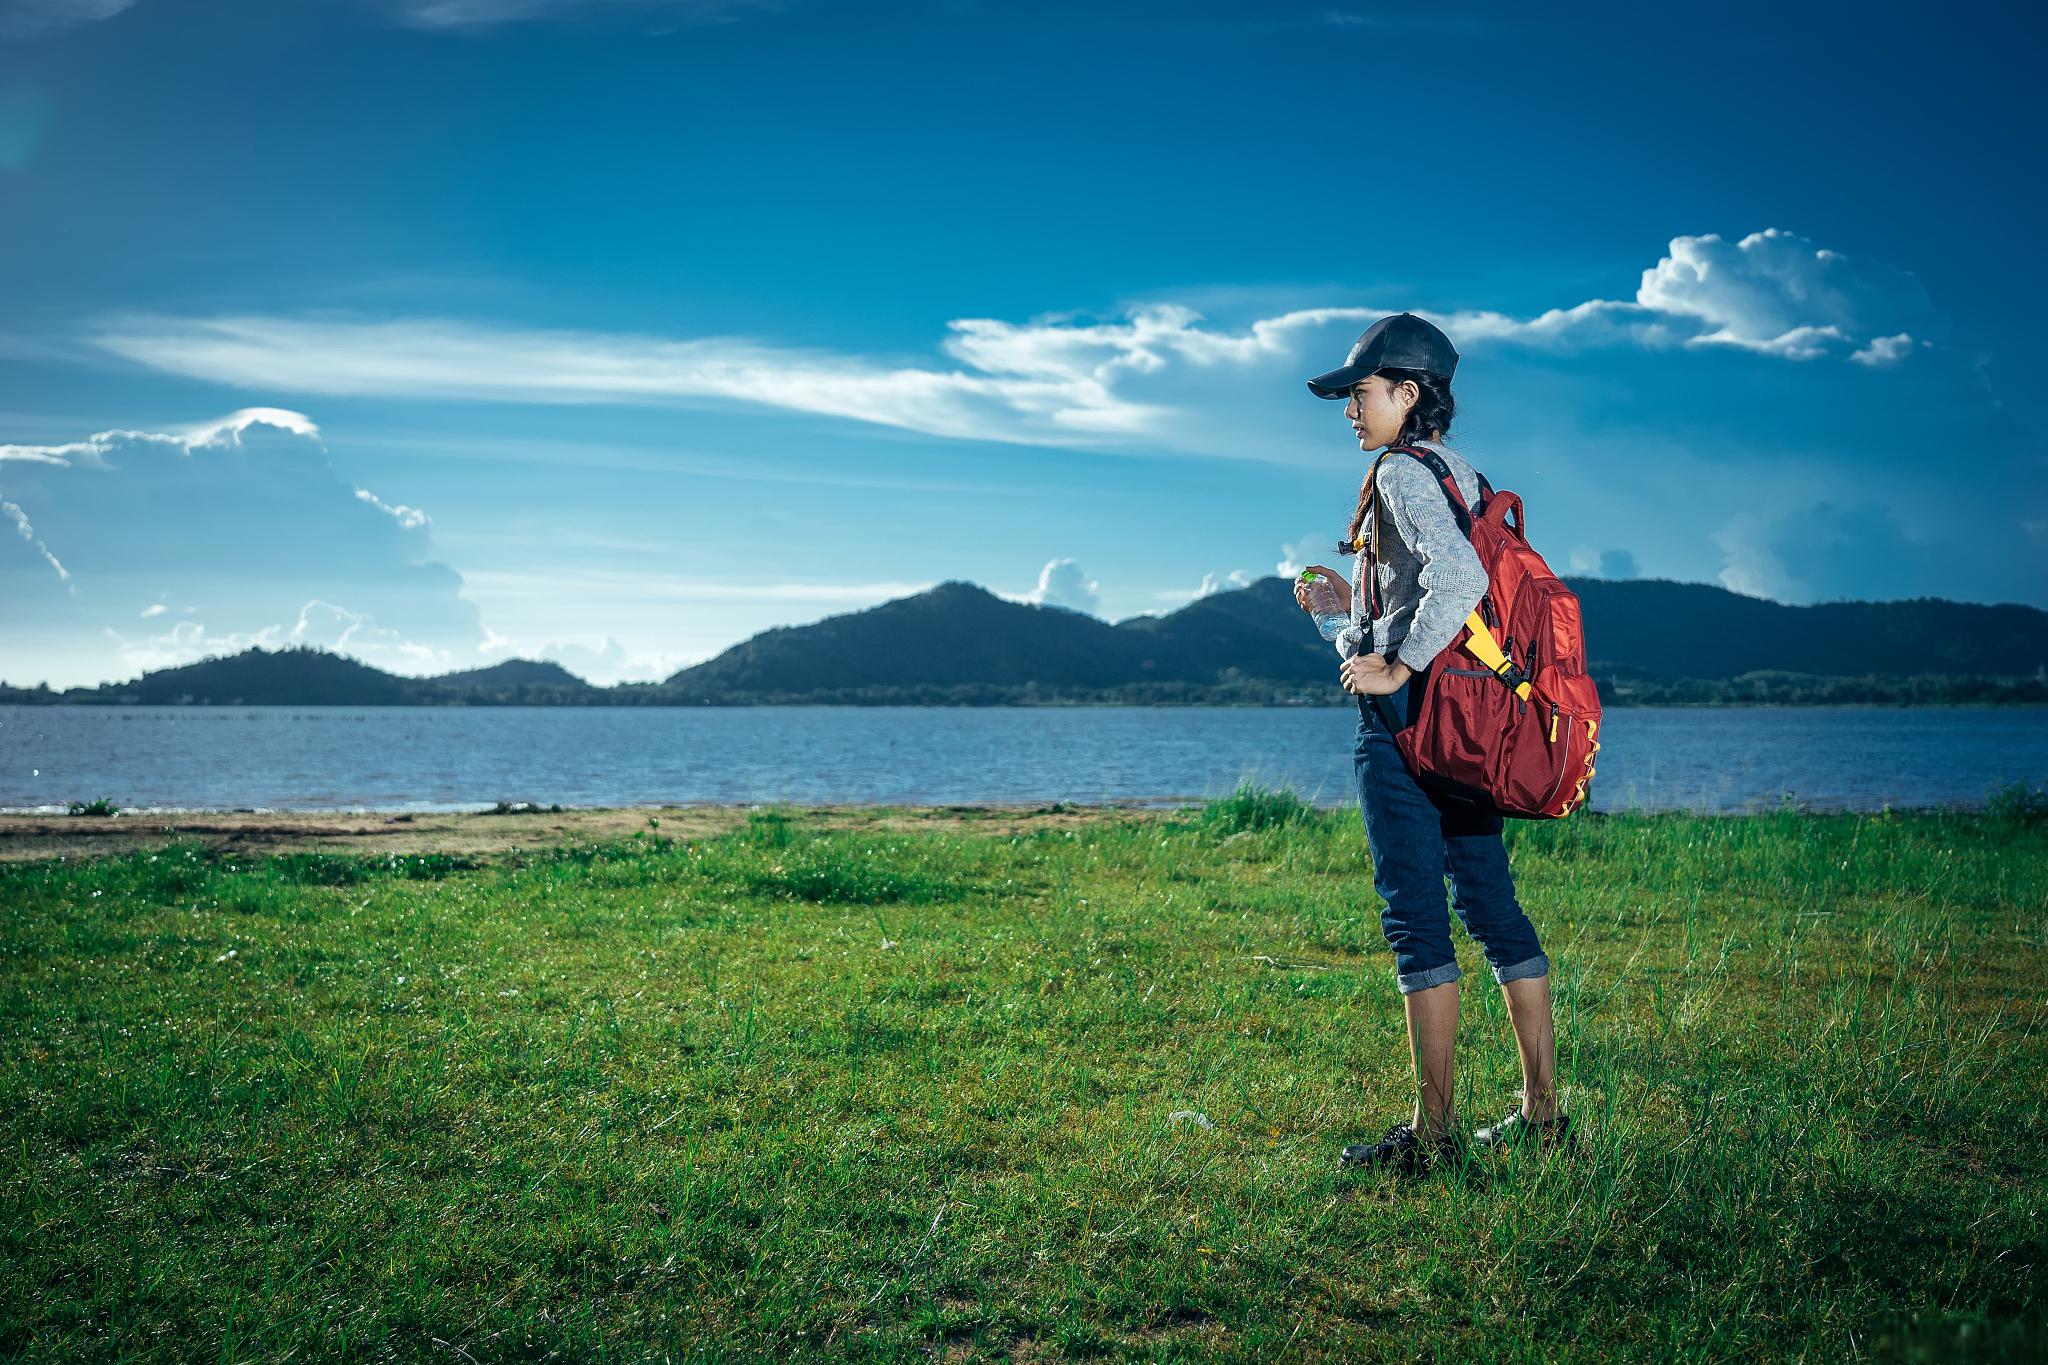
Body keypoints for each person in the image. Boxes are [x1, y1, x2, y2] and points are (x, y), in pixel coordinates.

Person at [1293, 312, 1572, 1175]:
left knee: (1416, 920)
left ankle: (1434, 1134)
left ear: (1407, 394)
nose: (1349, 408)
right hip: (1471, 721)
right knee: (1491, 907)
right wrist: (1352, 613)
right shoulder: (1465, 474)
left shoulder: (1397, 473)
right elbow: (1456, 588)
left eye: (1362, 392)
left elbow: (1461, 578)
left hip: (1413, 720)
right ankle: (1544, 1115)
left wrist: (1385, 658)